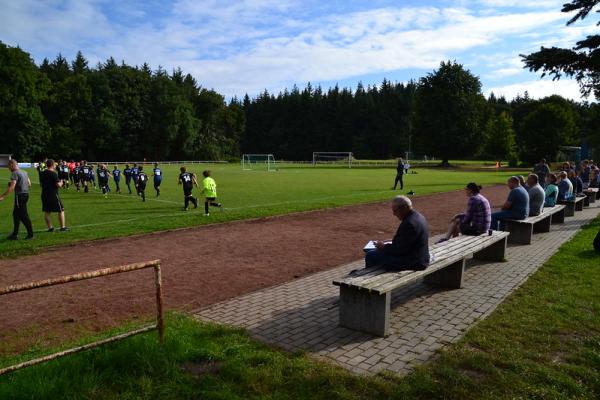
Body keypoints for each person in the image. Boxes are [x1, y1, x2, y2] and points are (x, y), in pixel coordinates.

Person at [362, 195, 429, 271]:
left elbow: (399, 251)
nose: (394, 214)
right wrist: (391, 241)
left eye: (395, 210)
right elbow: (407, 242)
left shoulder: (409, 223)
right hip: (419, 258)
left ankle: (368, 279)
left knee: (370, 255)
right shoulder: (418, 216)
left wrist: (383, 247)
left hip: (414, 262)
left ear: (404, 208)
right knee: (375, 252)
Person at [0, 159, 34, 240]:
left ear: (12, 165)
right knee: (16, 214)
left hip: (20, 196)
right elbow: (29, 184)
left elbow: (12, 187)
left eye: (8, 166)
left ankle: (30, 234)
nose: (8, 168)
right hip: (26, 195)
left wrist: (3, 196)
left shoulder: (14, 173)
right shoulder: (24, 172)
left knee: (23, 215)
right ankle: (15, 234)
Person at [40, 159, 69, 232]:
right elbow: (58, 185)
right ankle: (62, 227)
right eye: (55, 164)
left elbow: (41, 184)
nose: (56, 165)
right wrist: (62, 182)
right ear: (52, 165)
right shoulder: (53, 173)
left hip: (44, 194)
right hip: (53, 194)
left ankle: (50, 228)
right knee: (61, 210)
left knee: (47, 212)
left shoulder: (42, 173)